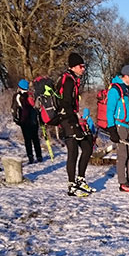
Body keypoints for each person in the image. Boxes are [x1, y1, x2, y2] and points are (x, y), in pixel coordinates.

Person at [56, 52, 94, 197]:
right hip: (67, 119)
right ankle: (71, 185)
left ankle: (80, 179)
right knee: (73, 152)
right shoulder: (69, 80)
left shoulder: (73, 79)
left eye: (84, 66)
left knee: (87, 147)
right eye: (81, 66)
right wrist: (74, 121)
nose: (83, 69)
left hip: (72, 118)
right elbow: (65, 103)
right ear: (73, 67)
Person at [12, 79, 42, 164]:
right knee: (35, 138)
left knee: (27, 140)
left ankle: (30, 157)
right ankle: (39, 156)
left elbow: (14, 108)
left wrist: (15, 118)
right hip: (34, 120)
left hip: (24, 121)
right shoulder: (32, 94)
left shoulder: (17, 96)